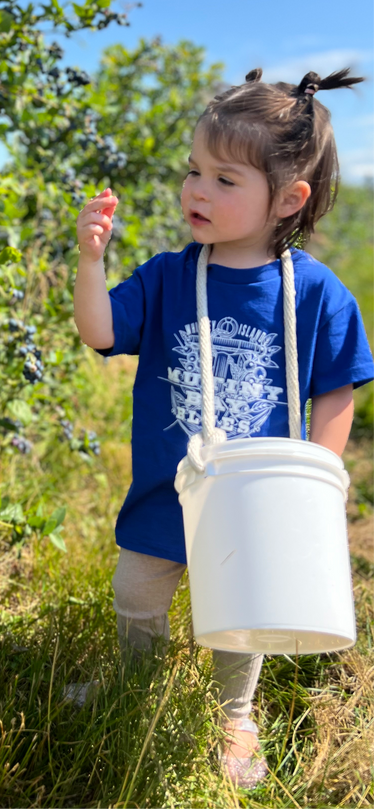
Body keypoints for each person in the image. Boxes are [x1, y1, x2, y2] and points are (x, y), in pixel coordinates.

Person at [73, 67, 374, 789]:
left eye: (224, 179)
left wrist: (319, 481)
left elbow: (336, 392)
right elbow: (100, 330)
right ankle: (135, 684)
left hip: (254, 505)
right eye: (193, 172)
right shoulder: (171, 276)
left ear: (288, 200)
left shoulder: (315, 293)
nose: (197, 191)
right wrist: (90, 261)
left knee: (240, 615)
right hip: (166, 493)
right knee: (138, 593)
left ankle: (234, 716)